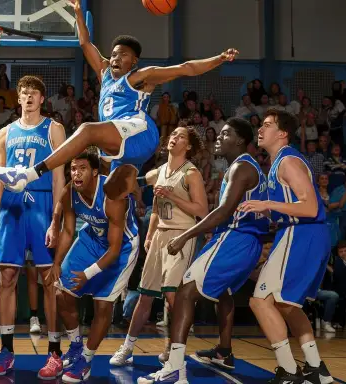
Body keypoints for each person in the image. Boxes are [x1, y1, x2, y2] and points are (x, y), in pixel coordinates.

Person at [0, 0, 237, 204]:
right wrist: (79, 12)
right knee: (104, 193)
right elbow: (84, 42)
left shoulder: (139, 77)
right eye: (113, 54)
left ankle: (28, 174)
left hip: (139, 132)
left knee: (87, 131)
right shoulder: (104, 73)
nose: (115, 58)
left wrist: (219, 59)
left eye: (122, 55)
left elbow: (185, 68)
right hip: (117, 140)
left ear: (133, 61)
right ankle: (134, 196)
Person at [137, 118, 269, 383]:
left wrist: (185, 235)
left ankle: (174, 367)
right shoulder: (247, 168)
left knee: (185, 292)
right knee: (224, 294)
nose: (218, 138)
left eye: (226, 134)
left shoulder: (241, 167)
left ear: (241, 141)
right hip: (245, 240)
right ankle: (224, 351)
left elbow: (221, 212)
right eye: (219, 134)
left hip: (236, 238)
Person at [239, 110, 333, 384]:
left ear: (283, 134)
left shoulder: (288, 161)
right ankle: (316, 369)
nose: (260, 129)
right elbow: (292, 207)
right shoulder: (277, 163)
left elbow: (311, 206)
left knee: (259, 301)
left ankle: (290, 372)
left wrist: (268, 205)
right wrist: (266, 213)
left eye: (267, 125)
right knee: (288, 306)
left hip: (302, 234)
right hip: (302, 233)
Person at [0, 75, 67, 377]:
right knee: (6, 277)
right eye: (24, 93)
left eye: (34, 93)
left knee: (49, 280)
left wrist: (56, 219)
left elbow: (59, 178)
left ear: (42, 99)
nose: (29, 97)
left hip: (42, 204)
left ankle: (55, 352)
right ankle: (6, 350)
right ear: (17, 98)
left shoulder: (54, 128)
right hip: (12, 208)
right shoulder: (5, 132)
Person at [110, 124, 207, 367]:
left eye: (181, 136)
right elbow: (149, 201)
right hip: (160, 236)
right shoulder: (159, 171)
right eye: (173, 134)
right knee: (145, 296)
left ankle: (173, 350)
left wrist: (173, 195)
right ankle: (127, 347)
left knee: (173, 296)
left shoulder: (191, 173)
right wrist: (150, 234)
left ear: (189, 146)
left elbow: (202, 211)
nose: (174, 138)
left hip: (182, 235)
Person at [46, 150, 139, 382]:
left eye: (83, 168)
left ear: (95, 172)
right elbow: (68, 231)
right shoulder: (69, 191)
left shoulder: (113, 195)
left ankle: (86, 360)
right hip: (91, 239)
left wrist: (88, 274)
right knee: (61, 292)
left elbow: (115, 249)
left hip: (122, 248)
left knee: (102, 306)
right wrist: (56, 262)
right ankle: (76, 346)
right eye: (73, 168)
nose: (76, 173)